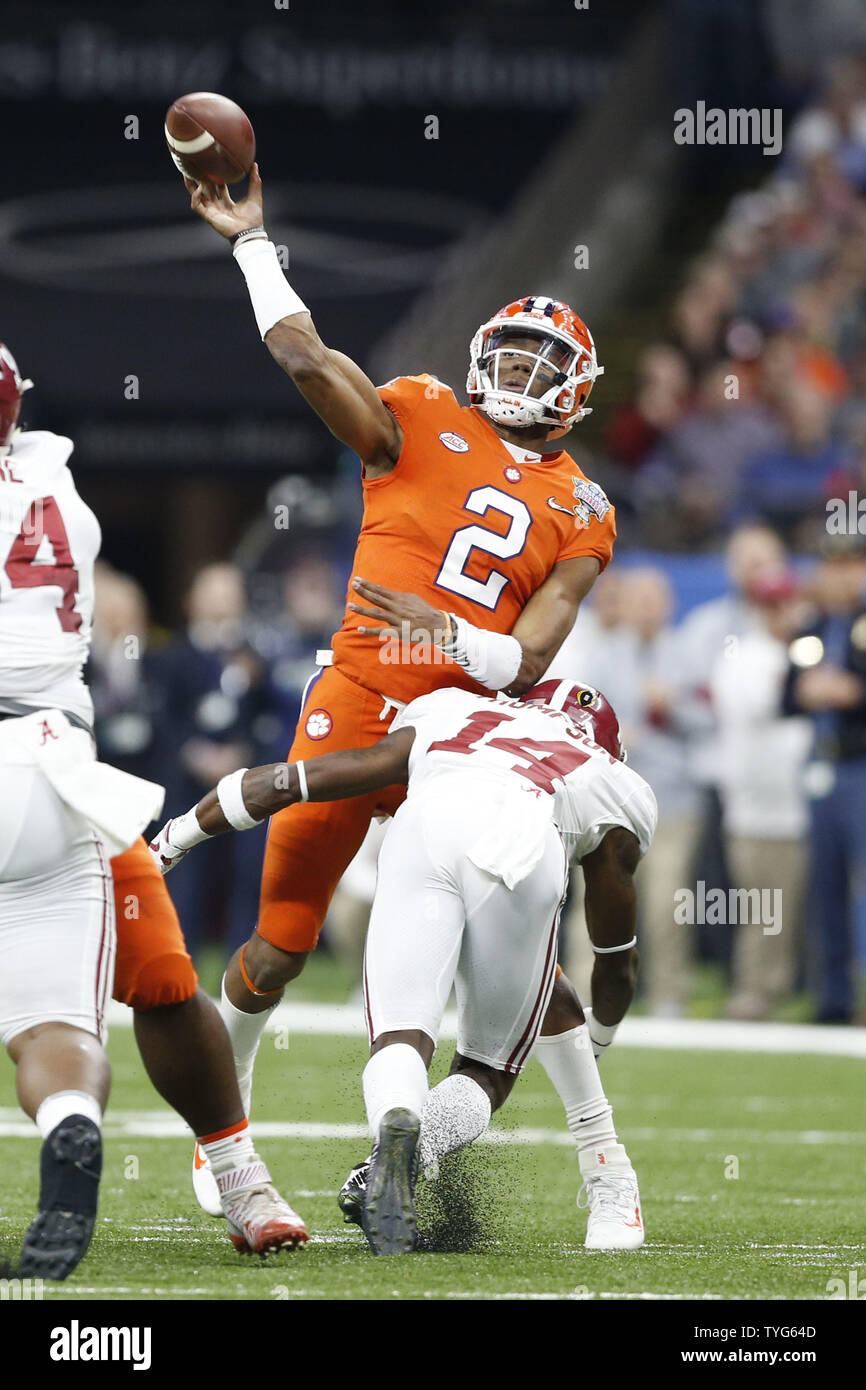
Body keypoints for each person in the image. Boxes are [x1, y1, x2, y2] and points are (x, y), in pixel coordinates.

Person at [182, 166, 619, 1212]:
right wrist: (251, 241)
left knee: (506, 961)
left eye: (538, 360)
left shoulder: (584, 507)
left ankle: (597, 1157)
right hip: (359, 702)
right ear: (476, 361)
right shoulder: (421, 412)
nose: (515, 370)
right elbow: (299, 356)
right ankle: (224, 1115)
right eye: (506, 350)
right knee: (280, 941)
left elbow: (528, 660)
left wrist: (441, 630)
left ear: (576, 388)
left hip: (464, 740)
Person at [150, 678, 657, 1254]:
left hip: (425, 826)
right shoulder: (611, 779)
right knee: (486, 1070)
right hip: (520, 844)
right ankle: (588, 1172)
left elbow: (288, 781)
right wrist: (603, 1036)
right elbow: (615, 955)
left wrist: (171, 842)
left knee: (400, 1036)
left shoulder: (458, 710)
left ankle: (397, 1126)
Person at [0, 342, 307, 1266]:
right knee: (122, 998)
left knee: (166, 980)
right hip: (55, 776)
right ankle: (97, 1132)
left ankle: (243, 1179)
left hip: (49, 768)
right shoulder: (56, 485)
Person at [782, 535, 866, 1022]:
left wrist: (854, 692)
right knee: (826, 886)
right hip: (821, 766)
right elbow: (787, 698)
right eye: (832, 565)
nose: (840, 575)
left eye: (851, 564)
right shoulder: (811, 627)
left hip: (859, 763)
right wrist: (807, 691)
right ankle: (834, 997)